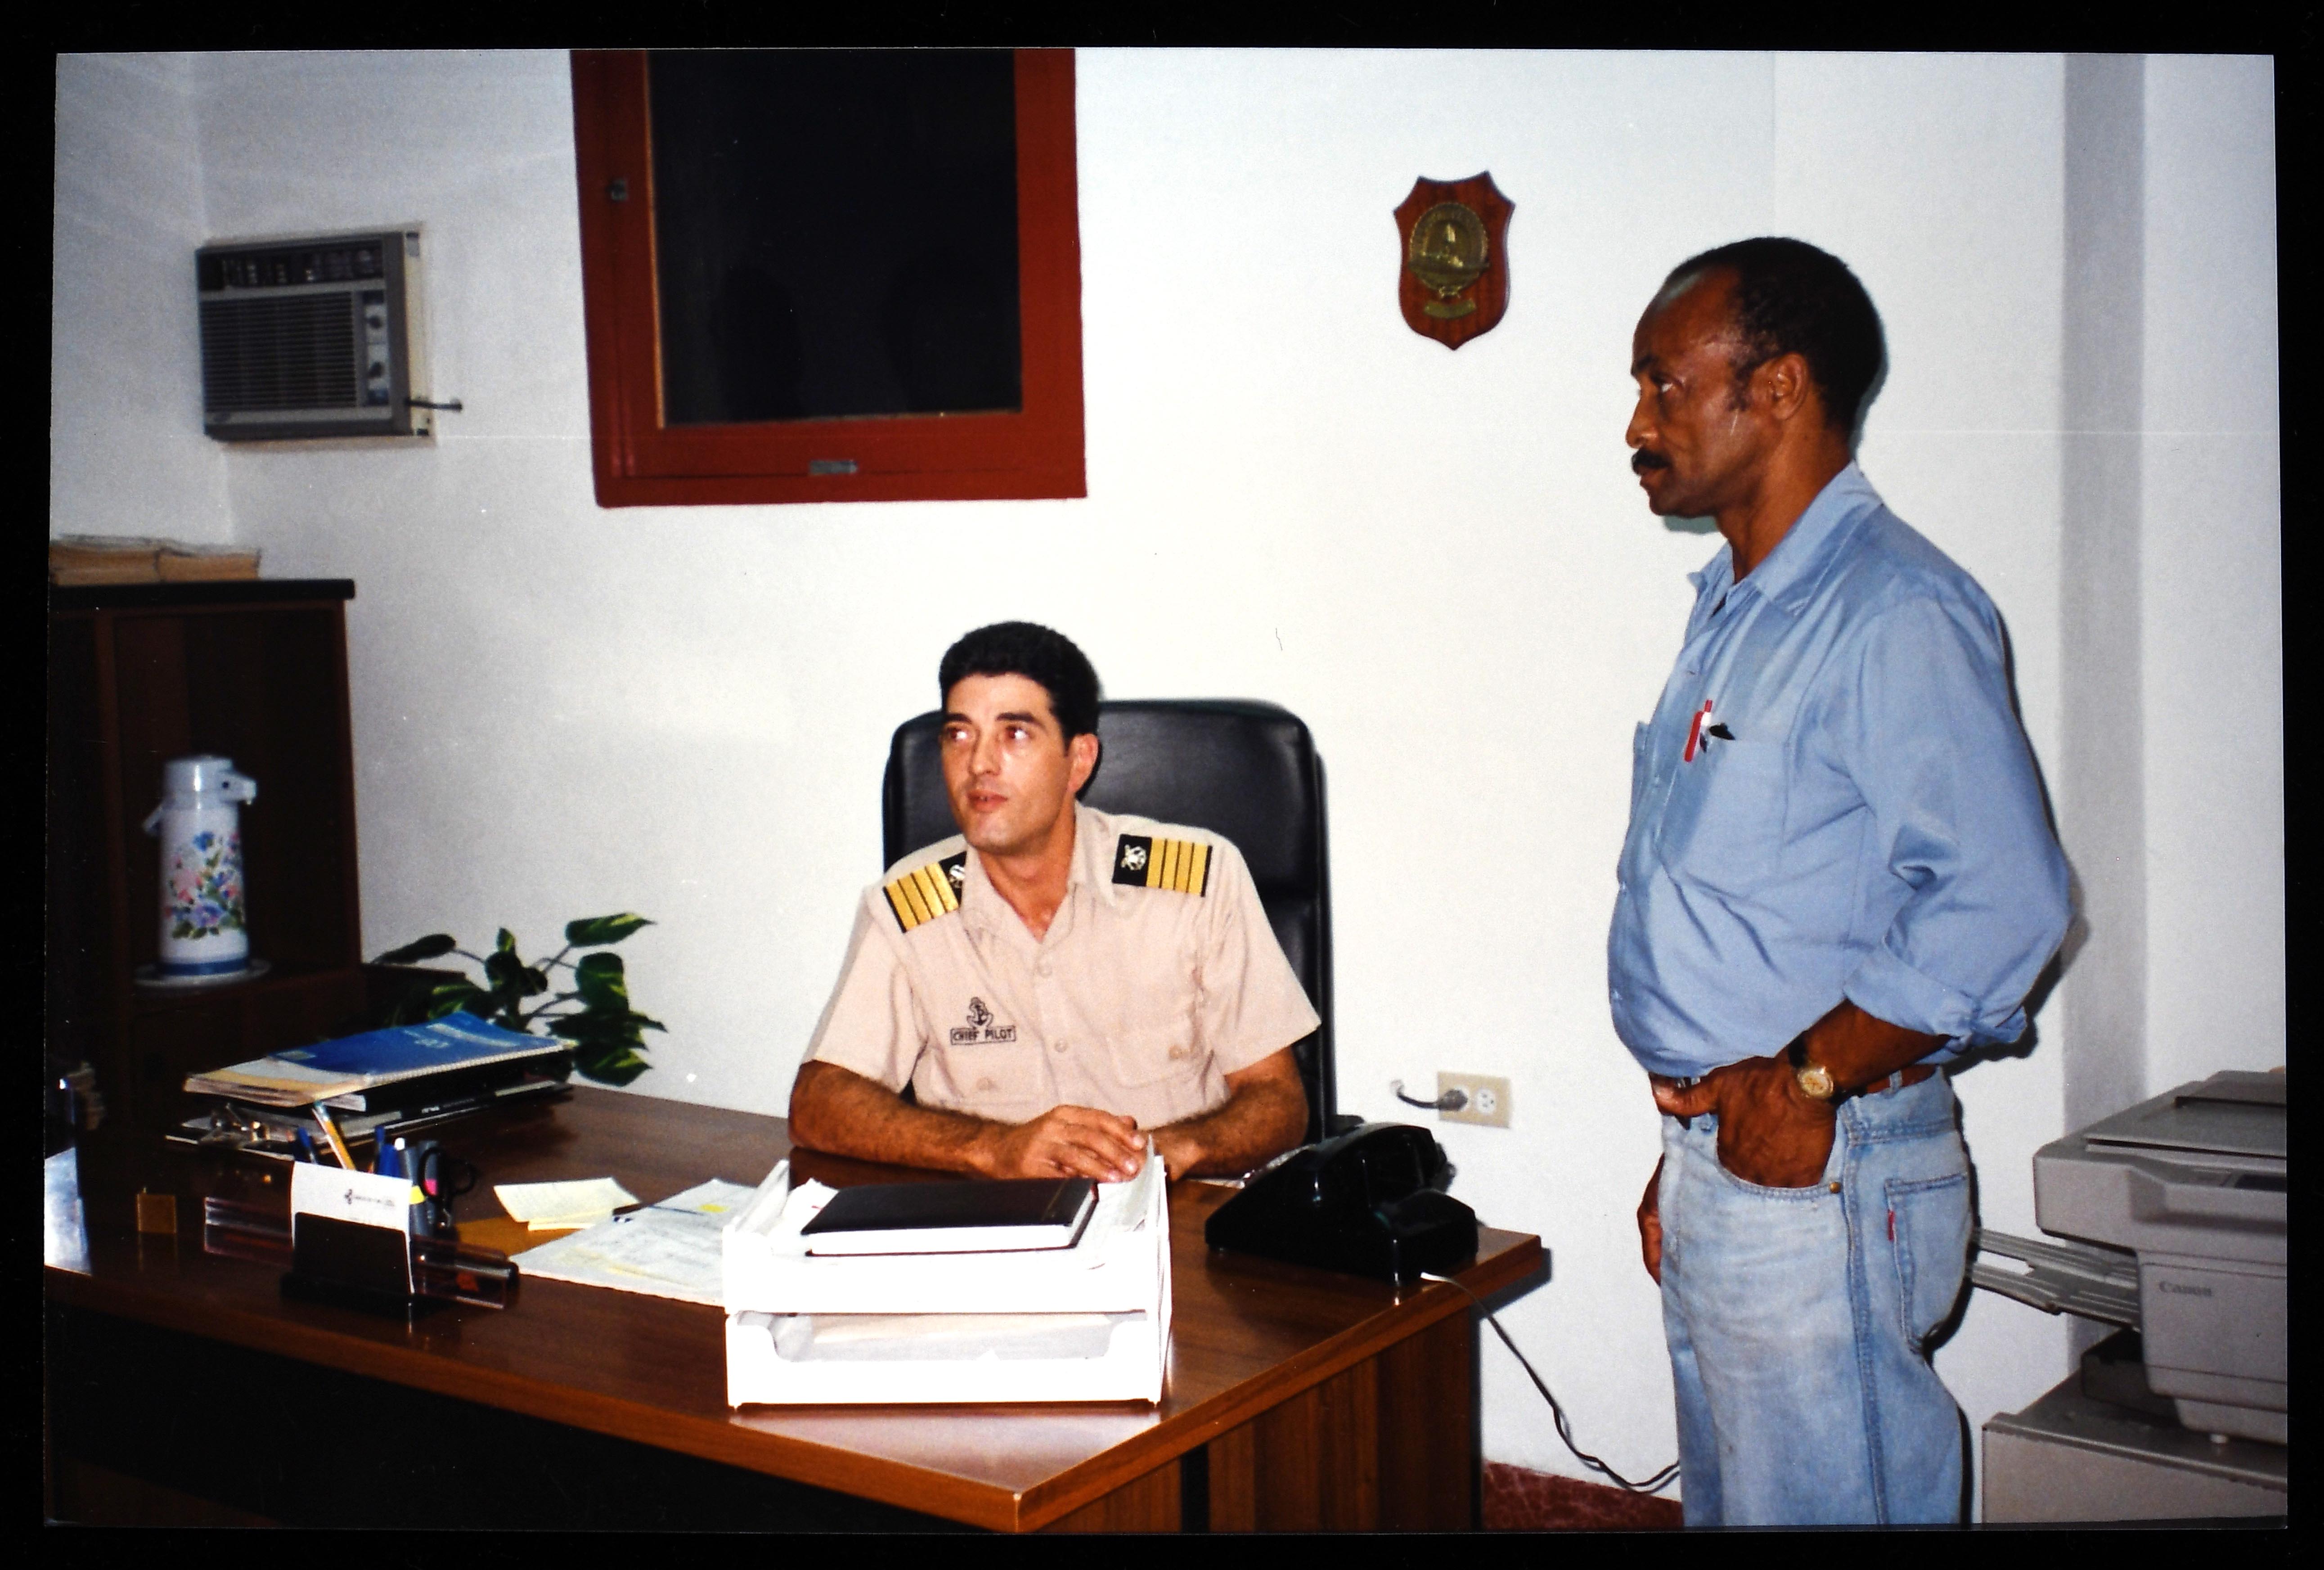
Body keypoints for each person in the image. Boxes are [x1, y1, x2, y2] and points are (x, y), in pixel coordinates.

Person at [1609, 238, 2071, 1526]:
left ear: (1777, 388)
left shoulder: (1889, 610)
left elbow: (2006, 899)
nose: (1636, 425)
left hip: (1822, 1161)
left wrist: (1804, 1079)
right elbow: (1753, 913)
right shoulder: (1736, 608)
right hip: (1741, 1158)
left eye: (1662, 384)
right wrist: (1695, 1144)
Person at [789, 621, 1318, 1183]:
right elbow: (819, 1102)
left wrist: (1161, 1155)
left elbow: (1278, 1101)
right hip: (994, 1221)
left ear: (1079, 760)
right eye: (959, 735)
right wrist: (993, 1149)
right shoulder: (907, 908)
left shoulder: (1196, 883)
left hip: (1175, 1212)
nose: (979, 764)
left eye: (1014, 734)